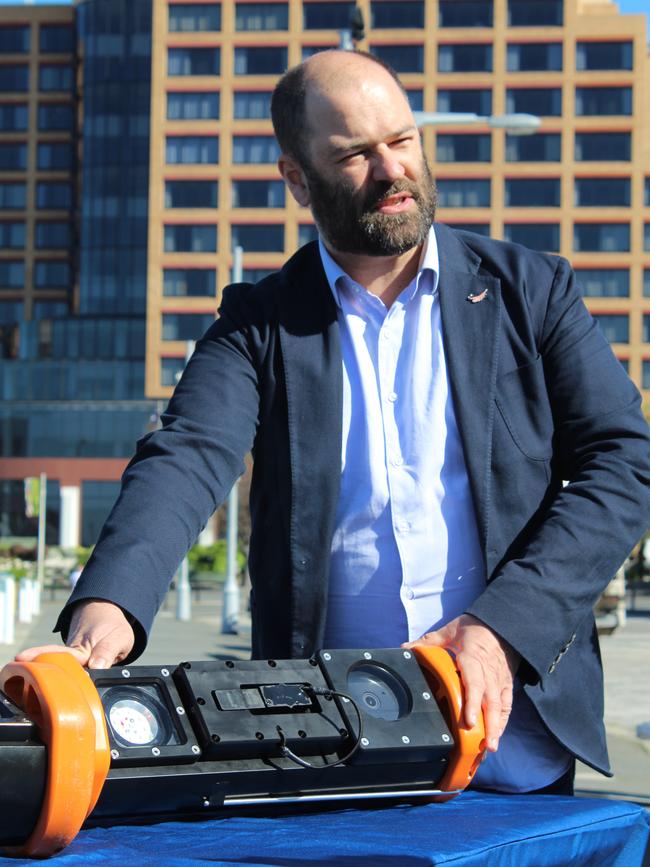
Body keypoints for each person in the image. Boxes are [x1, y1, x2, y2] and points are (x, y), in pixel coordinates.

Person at [18, 50, 650, 794]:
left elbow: (626, 463)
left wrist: (502, 628)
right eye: (355, 153)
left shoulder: (532, 292)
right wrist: (107, 611)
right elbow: (185, 458)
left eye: (402, 139)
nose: (392, 170)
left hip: (516, 730)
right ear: (296, 178)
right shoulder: (258, 323)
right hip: (326, 746)